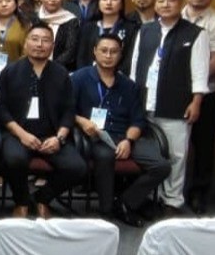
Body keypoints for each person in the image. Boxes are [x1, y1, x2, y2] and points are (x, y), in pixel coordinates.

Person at [72, 35, 170, 227]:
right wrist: (82, 121)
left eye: (114, 51)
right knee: (105, 155)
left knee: (162, 166)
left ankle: (125, 203)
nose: (108, 56)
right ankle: (106, 210)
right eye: (104, 50)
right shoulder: (80, 78)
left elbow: (138, 120)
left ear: (120, 54)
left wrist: (129, 140)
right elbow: (66, 110)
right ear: (95, 51)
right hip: (95, 135)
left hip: (124, 136)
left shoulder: (128, 85)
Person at [130, 0, 210, 216]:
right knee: (150, 155)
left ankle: (172, 201)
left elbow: (200, 72)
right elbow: (135, 65)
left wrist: (196, 101)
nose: (165, 5)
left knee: (176, 155)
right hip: (145, 102)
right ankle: (148, 197)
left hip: (176, 104)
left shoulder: (195, 33)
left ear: (181, 3)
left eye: (171, 0)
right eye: (161, 1)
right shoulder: (146, 30)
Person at [0, 24, 86, 218]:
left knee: (77, 167)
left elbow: (69, 110)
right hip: (18, 134)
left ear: (52, 46)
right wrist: (22, 135)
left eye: (45, 40)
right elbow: (0, 109)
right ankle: (21, 201)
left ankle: (42, 198)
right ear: (26, 43)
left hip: (51, 135)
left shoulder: (61, 73)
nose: (39, 44)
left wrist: (59, 138)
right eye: (35, 39)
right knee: (14, 159)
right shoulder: (10, 72)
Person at [181, 0, 215, 214]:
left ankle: (198, 193)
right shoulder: (173, 15)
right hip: (173, 93)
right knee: (173, 144)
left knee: (203, 145)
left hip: (205, 93)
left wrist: (191, 79)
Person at [77, 0, 141, 74]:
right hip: (90, 75)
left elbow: (131, 57)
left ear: (121, 4)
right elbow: (82, 57)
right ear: (98, 3)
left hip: (120, 77)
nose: (109, 3)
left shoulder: (131, 28)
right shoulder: (88, 28)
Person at [36, 0, 80, 71]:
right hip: (34, 67)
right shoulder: (35, 18)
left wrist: (50, 67)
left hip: (60, 70)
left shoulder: (71, 20)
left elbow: (70, 51)